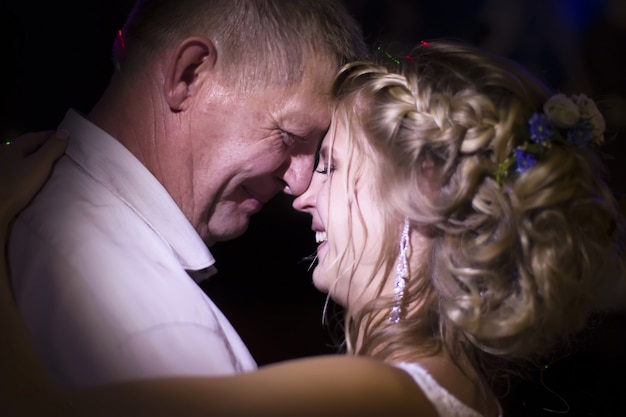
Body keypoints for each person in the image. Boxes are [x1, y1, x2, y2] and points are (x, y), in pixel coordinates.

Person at [3, 39, 625, 417]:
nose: (301, 193)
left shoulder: (376, 396)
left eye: (331, 164)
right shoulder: (464, 392)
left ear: (425, 193)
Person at [7, 0, 368, 387]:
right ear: (189, 75)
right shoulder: (161, 326)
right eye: (289, 136)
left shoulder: (24, 210)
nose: (298, 183)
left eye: (315, 154)